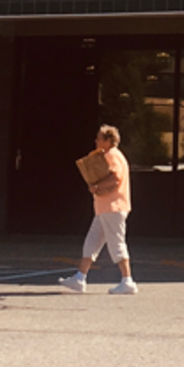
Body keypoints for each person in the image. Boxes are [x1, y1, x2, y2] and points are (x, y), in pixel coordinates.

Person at [60, 125, 137, 295]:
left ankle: (127, 280)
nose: (96, 141)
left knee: (117, 243)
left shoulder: (111, 155)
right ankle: (80, 277)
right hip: (105, 208)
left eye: (99, 138)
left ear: (108, 141)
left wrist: (96, 186)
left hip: (112, 207)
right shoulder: (116, 155)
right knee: (92, 241)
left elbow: (115, 179)